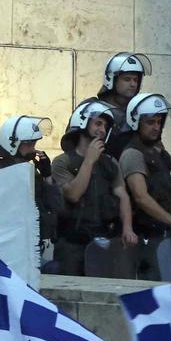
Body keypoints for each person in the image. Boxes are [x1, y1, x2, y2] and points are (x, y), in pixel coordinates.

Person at [52, 97, 138, 276]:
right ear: (82, 122)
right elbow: (73, 194)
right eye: (98, 123)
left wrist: (127, 228)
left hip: (103, 241)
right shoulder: (63, 162)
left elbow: (122, 194)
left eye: (105, 126)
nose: (102, 130)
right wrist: (89, 161)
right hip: (72, 244)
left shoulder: (110, 162)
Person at [119, 92, 171, 281]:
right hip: (147, 237)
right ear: (136, 122)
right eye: (150, 122)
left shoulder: (156, 152)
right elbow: (141, 197)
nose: (156, 127)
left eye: (159, 122)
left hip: (162, 236)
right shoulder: (133, 154)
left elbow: (161, 193)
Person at [0, 115, 62, 262]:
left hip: (33, 245)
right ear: (12, 143)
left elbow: (55, 206)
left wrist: (47, 176)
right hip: (8, 247)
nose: (33, 149)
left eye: (34, 144)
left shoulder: (32, 173)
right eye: (29, 144)